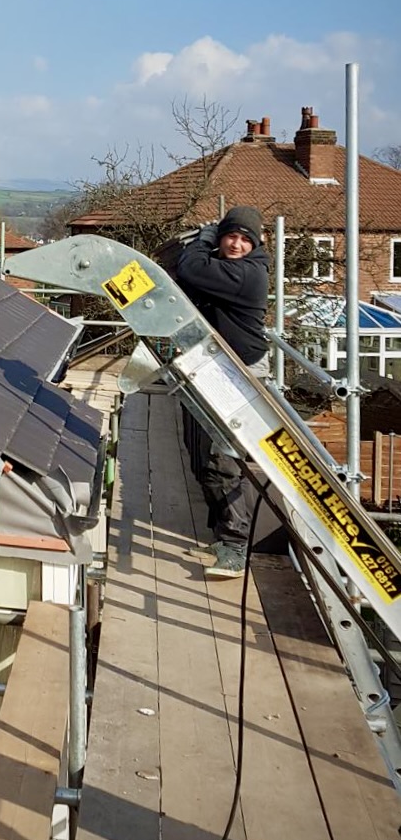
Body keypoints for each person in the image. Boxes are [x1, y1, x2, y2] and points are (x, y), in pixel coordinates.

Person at [175, 205, 270, 579]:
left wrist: (204, 238)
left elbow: (190, 269)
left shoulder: (248, 274)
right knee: (209, 457)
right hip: (219, 368)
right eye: (231, 235)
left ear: (255, 244)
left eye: (245, 239)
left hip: (242, 374)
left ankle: (235, 546)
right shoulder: (229, 267)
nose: (236, 244)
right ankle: (225, 536)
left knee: (224, 459)